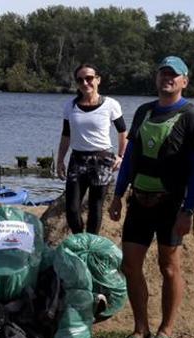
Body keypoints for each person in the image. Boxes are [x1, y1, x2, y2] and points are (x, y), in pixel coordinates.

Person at [108, 56, 194, 338]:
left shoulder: (193, 117)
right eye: (163, 73)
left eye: (173, 75)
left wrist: (188, 210)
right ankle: (140, 330)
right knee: (130, 265)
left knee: (169, 267)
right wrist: (117, 195)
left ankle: (166, 331)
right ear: (156, 78)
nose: (168, 78)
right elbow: (130, 157)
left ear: (184, 81)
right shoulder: (144, 111)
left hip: (171, 204)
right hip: (139, 201)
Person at [56, 63, 127, 235]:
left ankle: (91, 242)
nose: (85, 83)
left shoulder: (110, 104)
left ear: (98, 80)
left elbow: (123, 132)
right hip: (77, 160)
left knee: (95, 206)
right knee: (72, 209)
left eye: (89, 78)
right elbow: (66, 135)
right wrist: (60, 160)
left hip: (102, 160)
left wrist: (121, 156)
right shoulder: (70, 106)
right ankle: (80, 239)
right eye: (80, 80)